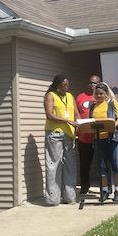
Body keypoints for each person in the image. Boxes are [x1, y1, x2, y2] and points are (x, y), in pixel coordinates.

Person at [43, 75, 78, 205]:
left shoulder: (70, 96)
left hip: (69, 134)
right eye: (63, 86)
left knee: (70, 165)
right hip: (55, 134)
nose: (66, 88)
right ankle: (53, 199)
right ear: (57, 85)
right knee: (54, 165)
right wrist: (67, 120)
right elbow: (49, 114)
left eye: (67, 86)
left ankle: (70, 197)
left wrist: (79, 123)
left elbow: (76, 113)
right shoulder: (50, 95)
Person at [90, 83, 118, 203]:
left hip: (113, 138)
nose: (99, 96)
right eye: (97, 94)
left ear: (106, 94)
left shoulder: (112, 103)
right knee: (102, 167)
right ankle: (105, 191)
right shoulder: (93, 106)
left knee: (117, 164)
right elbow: (91, 122)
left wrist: (112, 126)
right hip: (99, 139)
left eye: (102, 94)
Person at [75, 75, 100, 195]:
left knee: (103, 163)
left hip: (99, 136)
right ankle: (85, 187)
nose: (92, 85)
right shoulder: (80, 97)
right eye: (90, 83)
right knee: (84, 163)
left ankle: (105, 188)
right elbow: (76, 113)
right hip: (84, 136)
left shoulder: (101, 97)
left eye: (95, 83)